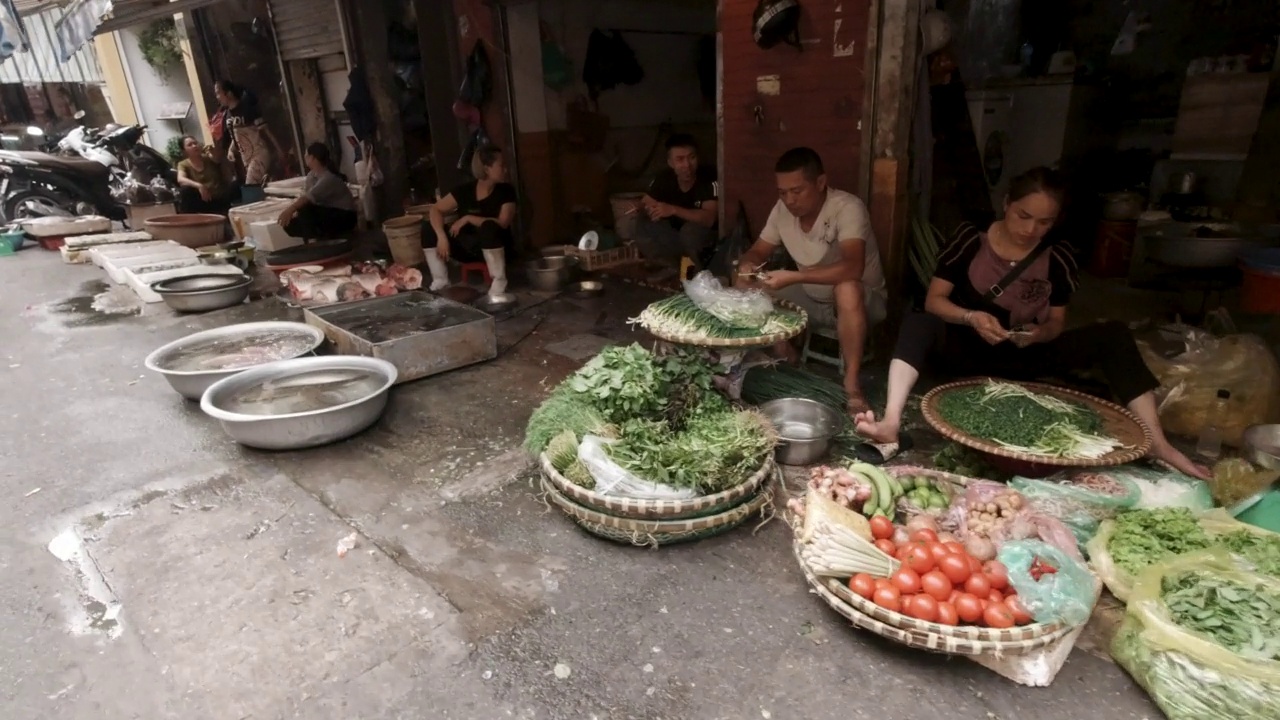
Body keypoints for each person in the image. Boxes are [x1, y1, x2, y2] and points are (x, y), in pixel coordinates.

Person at [853, 167, 1209, 479]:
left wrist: (1039, 334)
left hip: (1022, 354)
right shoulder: (970, 239)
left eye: (1044, 222)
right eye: (1023, 216)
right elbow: (935, 300)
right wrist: (972, 317)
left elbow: (1056, 322)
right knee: (918, 321)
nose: (1031, 229)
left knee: (1113, 334)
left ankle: (1157, 443)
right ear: (1007, 202)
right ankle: (891, 421)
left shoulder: (1058, 256)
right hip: (965, 349)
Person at [735, 147, 888, 416]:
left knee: (848, 287)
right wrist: (749, 263)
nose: (789, 200)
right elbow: (759, 249)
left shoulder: (847, 207)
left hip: (864, 302)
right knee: (745, 283)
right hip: (811, 296)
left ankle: (852, 385)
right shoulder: (782, 211)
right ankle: (783, 352)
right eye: (782, 192)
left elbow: (853, 267)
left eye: (797, 191)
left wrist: (796, 275)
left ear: (820, 183)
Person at [426, 145, 516, 297]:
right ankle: (440, 282)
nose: (505, 169)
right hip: (468, 248)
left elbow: (503, 222)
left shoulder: (506, 191)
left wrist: (468, 218)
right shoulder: (465, 190)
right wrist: (441, 237)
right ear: (487, 169)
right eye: (501, 165)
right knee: (428, 228)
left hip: (497, 248)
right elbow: (435, 210)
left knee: (489, 226)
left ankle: (499, 283)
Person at [631, 133, 719, 270]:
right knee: (644, 221)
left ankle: (698, 273)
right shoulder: (664, 178)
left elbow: (709, 218)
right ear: (670, 163)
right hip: (675, 237)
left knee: (689, 231)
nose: (687, 165)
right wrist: (645, 208)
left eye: (692, 158)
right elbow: (645, 202)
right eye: (680, 159)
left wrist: (673, 209)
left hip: (704, 240)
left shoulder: (708, 177)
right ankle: (669, 267)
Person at [213, 79, 286, 200]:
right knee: (258, 189)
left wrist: (279, 150)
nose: (217, 97)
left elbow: (265, 131)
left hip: (259, 153)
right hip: (246, 158)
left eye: (218, 92)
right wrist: (231, 150)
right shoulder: (228, 115)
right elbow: (235, 136)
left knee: (251, 189)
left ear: (229, 93)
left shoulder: (247, 110)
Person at [276, 142, 357, 240]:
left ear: (312, 158)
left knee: (304, 208)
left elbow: (307, 198)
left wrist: (290, 210)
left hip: (344, 215)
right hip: (327, 212)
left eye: (306, 154)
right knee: (290, 225)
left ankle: (318, 244)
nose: (304, 157)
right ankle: (315, 239)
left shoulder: (328, 178)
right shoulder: (311, 176)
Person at [175, 135, 231, 215]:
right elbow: (180, 179)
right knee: (185, 191)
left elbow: (218, 158)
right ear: (184, 150)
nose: (194, 146)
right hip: (202, 200)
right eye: (190, 145)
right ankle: (189, 221)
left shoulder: (209, 158)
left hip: (217, 198)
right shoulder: (183, 164)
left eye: (195, 143)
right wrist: (199, 186)